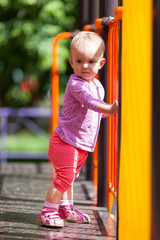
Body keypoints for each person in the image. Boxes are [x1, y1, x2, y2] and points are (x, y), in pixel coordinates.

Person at [39, 31, 118, 227]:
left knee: (70, 178)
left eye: (91, 61)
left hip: (79, 143)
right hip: (65, 141)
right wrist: (111, 107)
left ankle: (65, 208)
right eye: (79, 61)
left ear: (101, 63)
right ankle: (48, 211)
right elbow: (90, 103)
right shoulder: (76, 84)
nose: (85, 66)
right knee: (64, 178)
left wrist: (110, 112)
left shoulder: (98, 86)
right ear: (71, 62)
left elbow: (96, 112)